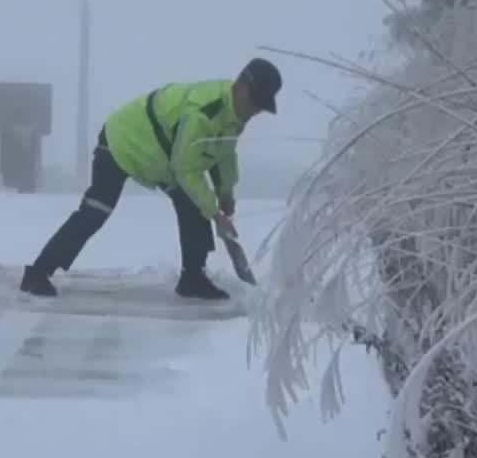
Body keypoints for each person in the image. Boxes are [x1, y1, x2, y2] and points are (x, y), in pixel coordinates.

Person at [18, 58, 283, 301]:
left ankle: (193, 278)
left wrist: (226, 193)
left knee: (192, 204)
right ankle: (38, 273)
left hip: (160, 155)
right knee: (96, 210)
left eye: (261, 106)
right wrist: (216, 214)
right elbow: (186, 170)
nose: (256, 111)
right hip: (123, 141)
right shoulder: (202, 112)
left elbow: (224, 153)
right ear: (241, 86)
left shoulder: (235, 114)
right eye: (255, 102)